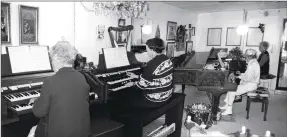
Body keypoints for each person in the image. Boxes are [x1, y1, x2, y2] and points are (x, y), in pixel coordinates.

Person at [28, 41, 91, 137]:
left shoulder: (50, 81)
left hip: (59, 133)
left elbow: (38, 112)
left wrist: (36, 102)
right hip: (80, 131)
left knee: (32, 130)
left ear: (56, 59)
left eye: (51, 59)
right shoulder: (81, 77)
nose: (51, 62)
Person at [109, 37, 174, 109]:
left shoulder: (152, 64)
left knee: (125, 97)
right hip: (167, 95)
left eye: (147, 49)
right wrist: (137, 76)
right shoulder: (167, 59)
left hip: (154, 99)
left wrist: (132, 83)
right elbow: (155, 77)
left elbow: (142, 85)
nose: (146, 51)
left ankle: (120, 117)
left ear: (152, 50)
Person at [219, 49, 260, 115]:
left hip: (251, 85)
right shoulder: (253, 62)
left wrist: (238, 77)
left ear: (249, 56)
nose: (245, 58)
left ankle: (229, 110)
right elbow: (248, 75)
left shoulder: (252, 65)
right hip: (250, 83)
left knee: (232, 90)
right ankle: (226, 105)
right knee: (231, 88)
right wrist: (241, 74)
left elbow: (248, 78)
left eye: (246, 56)